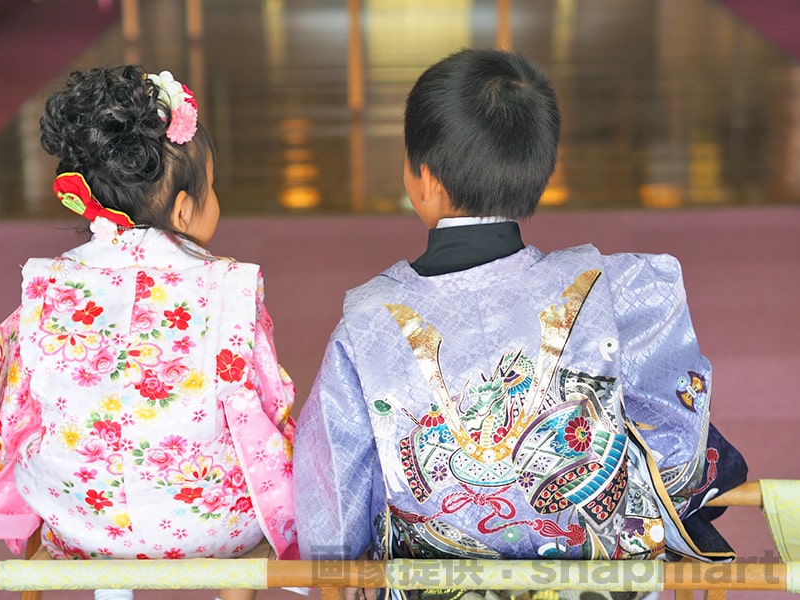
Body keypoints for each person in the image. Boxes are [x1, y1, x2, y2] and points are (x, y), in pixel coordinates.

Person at [293, 48, 747, 600]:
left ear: (424, 178)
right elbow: (679, 445)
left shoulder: (368, 324)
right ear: (539, 175)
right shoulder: (615, 289)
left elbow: (334, 494)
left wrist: (335, 566)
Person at [0, 65, 298, 600]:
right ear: (184, 208)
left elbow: (17, 409)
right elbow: (268, 402)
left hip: (78, 519)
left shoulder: (47, 282)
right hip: (212, 524)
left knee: (79, 454)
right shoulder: (230, 285)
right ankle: (236, 589)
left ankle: (110, 585)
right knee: (262, 454)